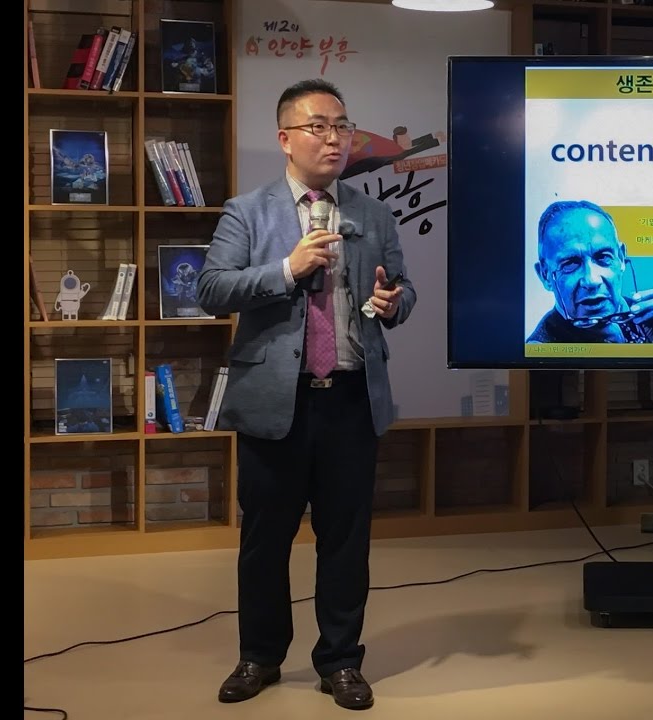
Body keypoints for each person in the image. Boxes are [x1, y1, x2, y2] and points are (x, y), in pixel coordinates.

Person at [197, 78, 415, 711]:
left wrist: (393, 302)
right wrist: (286, 270)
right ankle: (260, 657)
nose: (334, 138)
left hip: (350, 398)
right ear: (285, 138)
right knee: (265, 541)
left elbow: (403, 290)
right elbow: (211, 289)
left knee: (345, 540)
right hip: (276, 402)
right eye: (319, 126)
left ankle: (340, 661)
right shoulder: (248, 211)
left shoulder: (373, 214)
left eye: (342, 126)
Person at [527, 200, 653, 344]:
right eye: (570, 263)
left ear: (621, 258)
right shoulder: (542, 347)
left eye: (603, 257)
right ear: (545, 275)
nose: (592, 280)